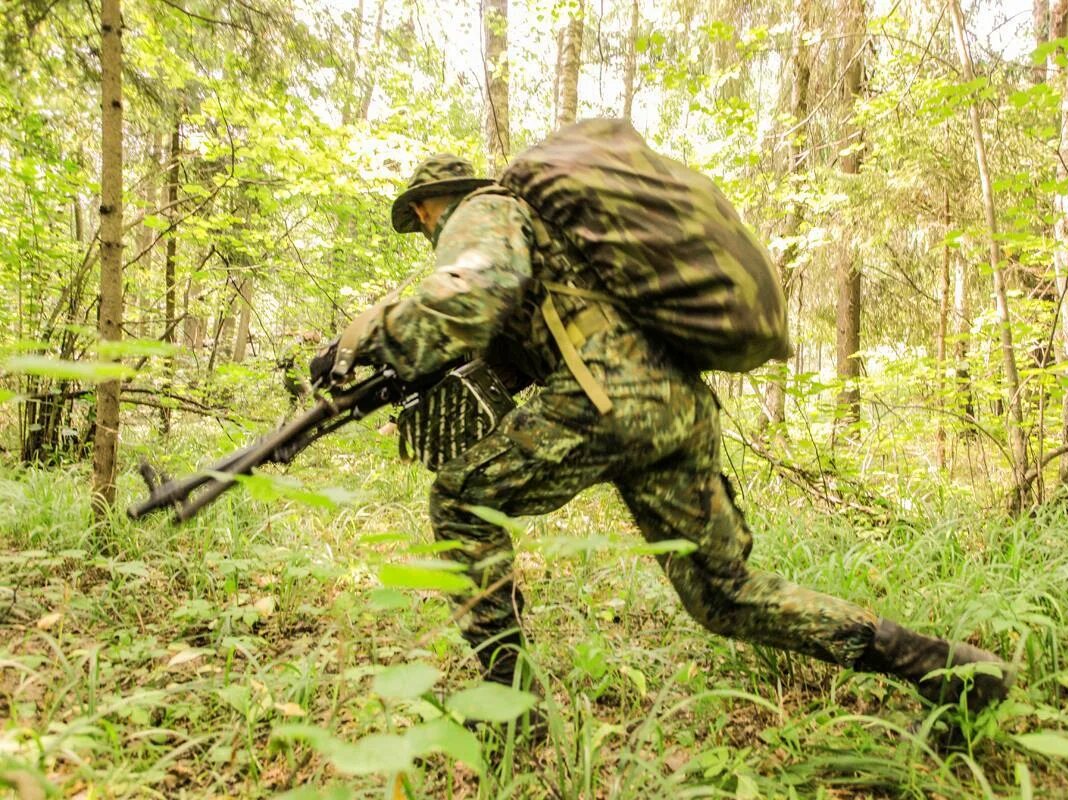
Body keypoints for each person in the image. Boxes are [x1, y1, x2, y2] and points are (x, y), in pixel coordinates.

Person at [318, 153, 1014, 710]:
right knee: (725, 595)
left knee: (460, 500)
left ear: (429, 205)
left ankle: (508, 697)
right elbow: (500, 355)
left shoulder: (485, 209)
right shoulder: (556, 246)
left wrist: (370, 338)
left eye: (421, 221)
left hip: (605, 399)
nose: (427, 233)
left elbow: (466, 294)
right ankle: (938, 665)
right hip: (675, 405)